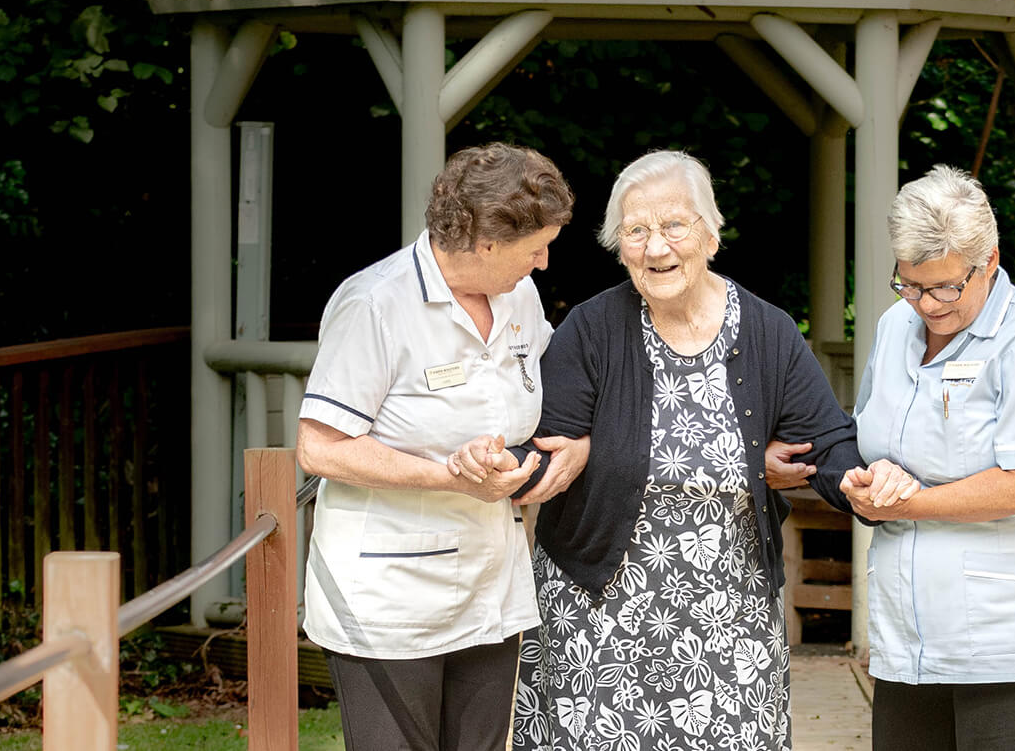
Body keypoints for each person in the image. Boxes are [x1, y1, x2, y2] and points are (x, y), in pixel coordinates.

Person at [505, 150, 861, 751]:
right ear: (619, 247)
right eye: (636, 231)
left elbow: (827, 440)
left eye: (673, 225)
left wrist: (858, 483)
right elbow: (543, 444)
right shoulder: (593, 329)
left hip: (731, 617)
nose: (655, 247)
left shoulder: (768, 331)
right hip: (599, 614)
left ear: (711, 233)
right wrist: (517, 466)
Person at [295, 143, 583, 751]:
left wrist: (572, 450)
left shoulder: (519, 298)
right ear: (485, 243)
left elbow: (548, 399)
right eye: (536, 248)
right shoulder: (375, 302)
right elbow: (321, 449)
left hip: (491, 589)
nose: (545, 262)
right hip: (390, 598)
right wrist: (449, 475)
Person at [839, 165, 1015, 751]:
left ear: (990, 263)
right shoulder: (893, 324)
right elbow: (876, 439)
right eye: (910, 283)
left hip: (1010, 638)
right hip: (909, 635)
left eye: (945, 287)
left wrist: (906, 502)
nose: (927, 304)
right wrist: (867, 483)